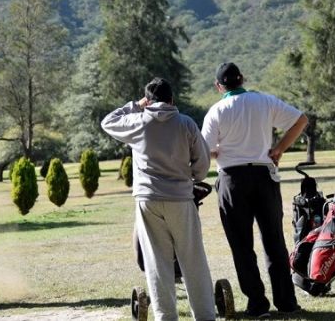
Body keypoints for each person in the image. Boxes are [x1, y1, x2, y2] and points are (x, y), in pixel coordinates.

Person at [101, 77, 216, 321]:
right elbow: (203, 163)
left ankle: (165, 317)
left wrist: (135, 105)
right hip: (181, 198)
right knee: (192, 259)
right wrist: (192, 178)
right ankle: (205, 316)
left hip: (148, 199)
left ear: (148, 101)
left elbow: (108, 122)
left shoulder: (138, 121)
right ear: (172, 99)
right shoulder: (186, 123)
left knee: (157, 262)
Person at [201, 62, 307, 317]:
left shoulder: (217, 110)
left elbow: (205, 150)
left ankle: (257, 303)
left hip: (232, 179)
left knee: (241, 245)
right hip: (264, 174)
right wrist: (279, 148)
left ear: (219, 86)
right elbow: (301, 120)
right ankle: (286, 302)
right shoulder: (264, 100)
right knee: (274, 241)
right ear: (242, 78)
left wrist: (217, 151)